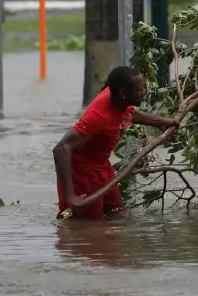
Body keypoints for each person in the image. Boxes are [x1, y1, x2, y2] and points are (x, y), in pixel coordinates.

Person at [53, 66, 179, 220]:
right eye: (139, 90)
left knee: (118, 214)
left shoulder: (119, 101)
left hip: (103, 166)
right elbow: (61, 148)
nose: (144, 92)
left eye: (144, 88)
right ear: (123, 94)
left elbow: (129, 112)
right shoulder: (98, 116)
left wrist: (160, 122)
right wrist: (70, 196)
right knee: (88, 225)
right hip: (82, 173)